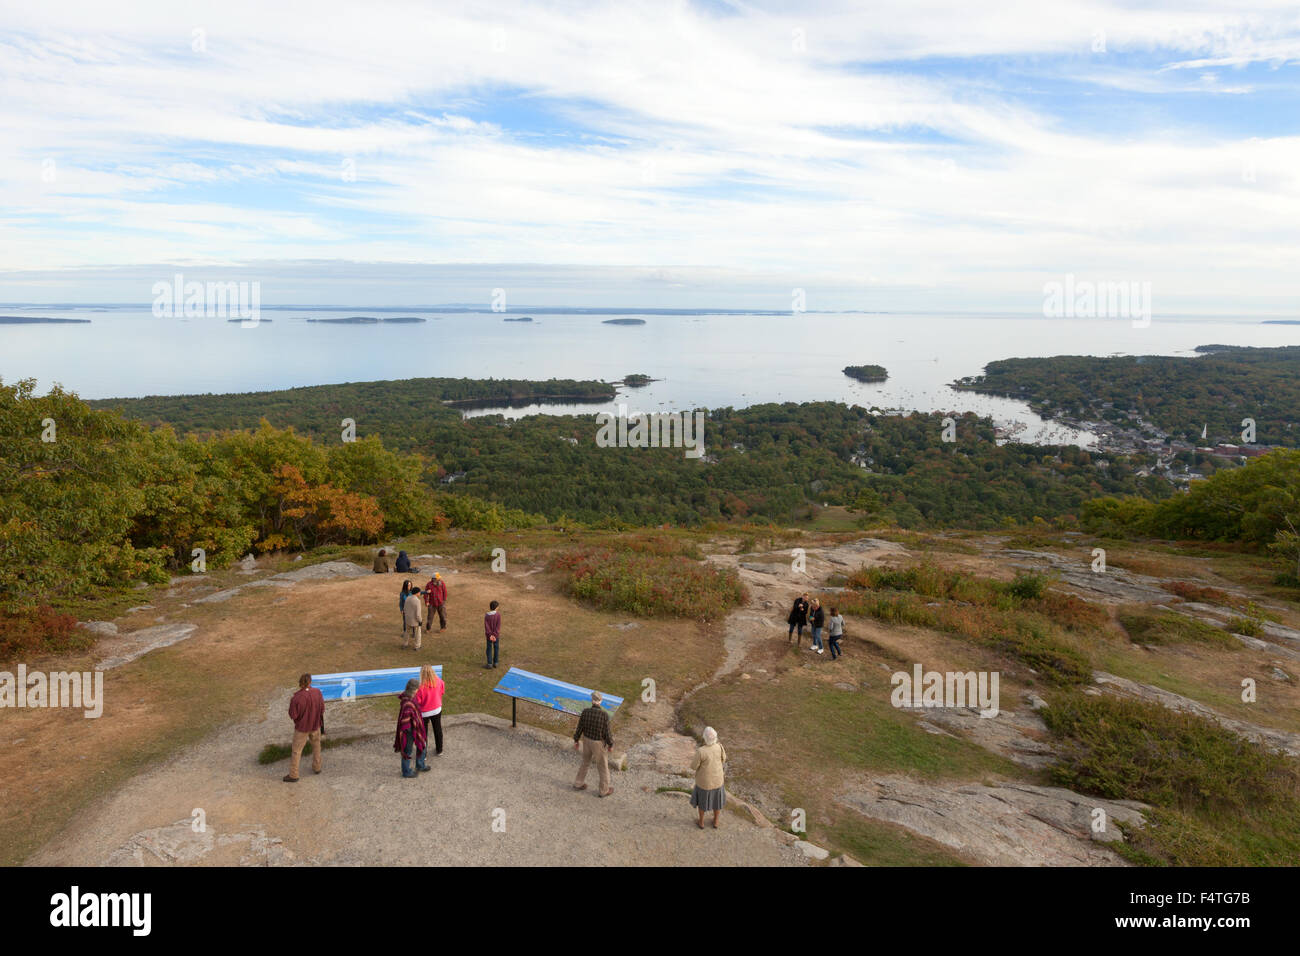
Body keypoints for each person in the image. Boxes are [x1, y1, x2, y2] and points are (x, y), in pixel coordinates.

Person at [284, 673, 325, 783]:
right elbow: (322, 709)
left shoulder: (296, 697)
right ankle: (317, 767)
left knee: (296, 751)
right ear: (310, 682)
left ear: (300, 683)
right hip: (315, 725)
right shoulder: (317, 692)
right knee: (316, 746)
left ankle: (294, 775)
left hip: (302, 728)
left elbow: (293, 715)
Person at [573, 691, 614, 797]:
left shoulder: (585, 712)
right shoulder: (604, 715)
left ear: (592, 700)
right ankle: (604, 790)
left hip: (586, 740)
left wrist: (576, 740)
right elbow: (607, 732)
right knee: (602, 767)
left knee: (585, 762)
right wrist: (610, 744)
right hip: (598, 743)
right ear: (601, 701)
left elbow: (580, 728)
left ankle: (578, 783)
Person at [690, 726, 728, 829]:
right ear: (715, 737)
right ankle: (715, 821)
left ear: (704, 738)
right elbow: (724, 759)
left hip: (704, 782)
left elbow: (693, 766)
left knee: (702, 802)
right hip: (718, 780)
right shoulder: (720, 747)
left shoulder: (701, 751)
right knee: (717, 801)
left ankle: (701, 822)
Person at [394, 678, 429, 778]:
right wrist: (413, 732)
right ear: (414, 689)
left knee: (423, 744)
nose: (418, 690)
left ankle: (420, 765)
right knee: (407, 750)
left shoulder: (410, 697)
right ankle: (406, 771)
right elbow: (405, 721)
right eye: (418, 688)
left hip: (416, 728)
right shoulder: (407, 703)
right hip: (409, 731)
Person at [414, 664, 445, 757]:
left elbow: (418, 702)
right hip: (437, 710)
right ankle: (439, 750)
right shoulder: (440, 682)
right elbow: (442, 692)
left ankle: (423, 755)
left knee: (423, 733)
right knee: (438, 729)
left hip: (424, 713)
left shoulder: (421, 688)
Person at [403, 582, 425, 650]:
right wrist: (420, 621)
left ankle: (405, 644)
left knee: (407, 632)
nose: (420, 593)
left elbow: (404, 609)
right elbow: (418, 614)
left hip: (407, 619)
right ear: (417, 593)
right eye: (419, 592)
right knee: (418, 634)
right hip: (415, 620)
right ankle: (417, 646)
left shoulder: (407, 598)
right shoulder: (417, 601)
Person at [483, 599, 501, 669]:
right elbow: (498, 626)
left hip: (488, 636)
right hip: (496, 636)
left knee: (489, 649)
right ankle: (495, 662)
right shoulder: (498, 615)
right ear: (496, 607)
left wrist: (490, 635)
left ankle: (489, 663)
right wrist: (494, 634)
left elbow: (486, 626)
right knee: (496, 648)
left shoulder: (487, 616)